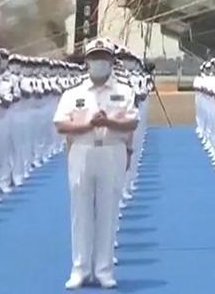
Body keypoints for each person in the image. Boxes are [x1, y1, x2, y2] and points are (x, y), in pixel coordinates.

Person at [54, 38, 139, 289]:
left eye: (104, 58)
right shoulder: (74, 93)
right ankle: (79, 268)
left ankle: (103, 269)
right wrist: (88, 125)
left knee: (108, 211)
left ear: (111, 62)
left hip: (112, 151)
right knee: (80, 212)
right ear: (87, 62)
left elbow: (132, 123)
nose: (99, 62)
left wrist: (108, 123)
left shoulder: (124, 91)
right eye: (95, 58)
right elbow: (61, 124)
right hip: (82, 150)